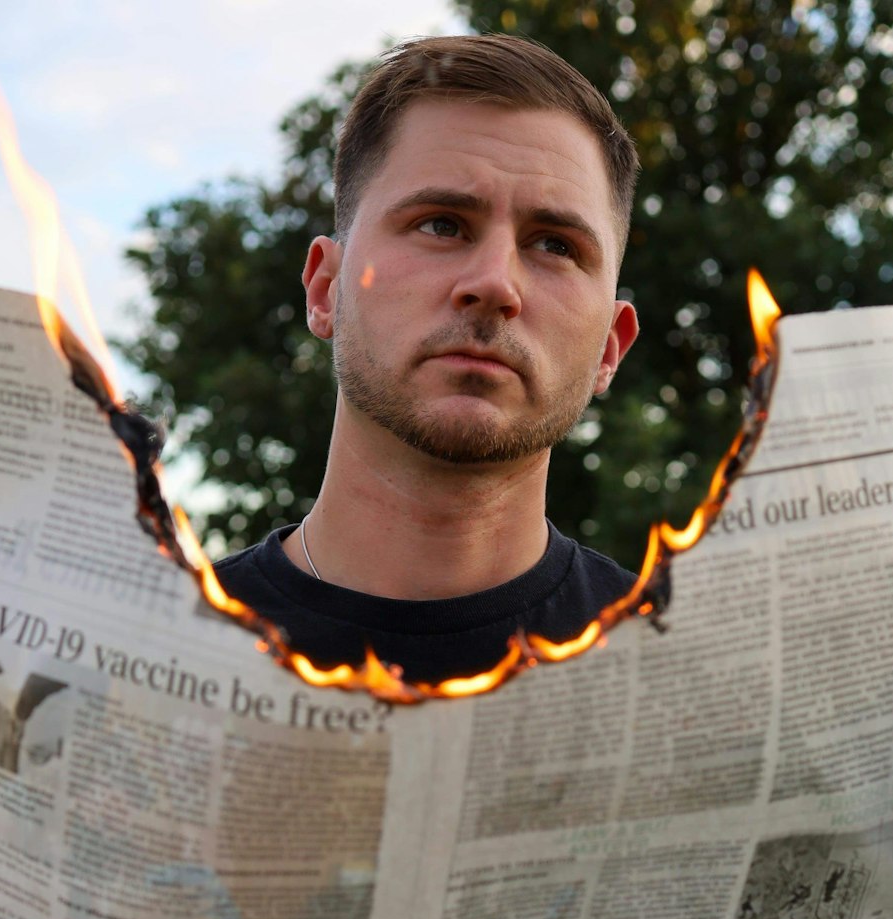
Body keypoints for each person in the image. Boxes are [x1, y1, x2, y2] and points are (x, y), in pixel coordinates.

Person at [215, 33, 640, 683]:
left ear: (611, 346)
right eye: (442, 224)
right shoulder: (133, 652)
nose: (495, 284)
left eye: (554, 244)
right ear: (326, 289)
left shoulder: (684, 665)